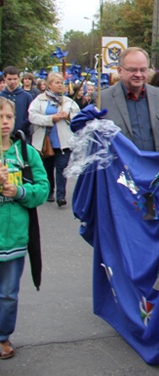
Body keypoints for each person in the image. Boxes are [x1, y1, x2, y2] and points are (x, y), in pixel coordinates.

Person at [0, 97, 49, 360]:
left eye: (8, 117)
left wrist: (18, 190)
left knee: (7, 293)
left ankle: (2, 337)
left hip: (15, 237)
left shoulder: (26, 153)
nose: (4, 123)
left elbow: (42, 189)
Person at [97, 48, 159, 152]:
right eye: (132, 70)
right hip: (120, 167)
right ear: (120, 71)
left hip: (155, 166)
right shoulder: (102, 99)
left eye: (143, 70)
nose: (138, 74)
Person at [28, 72, 80, 207]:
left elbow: (78, 118)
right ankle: (50, 191)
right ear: (49, 85)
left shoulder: (68, 102)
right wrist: (51, 119)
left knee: (62, 167)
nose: (60, 85)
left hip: (63, 141)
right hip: (46, 141)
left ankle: (61, 195)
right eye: (57, 83)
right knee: (48, 167)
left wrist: (67, 116)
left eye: (61, 83)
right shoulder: (39, 100)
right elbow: (32, 117)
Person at [0, 67, 34, 140]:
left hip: (22, 135)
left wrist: (23, 125)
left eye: (15, 79)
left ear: (19, 78)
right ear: (4, 78)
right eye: (9, 79)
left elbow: (31, 115)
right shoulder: (1, 96)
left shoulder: (27, 96)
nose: (12, 82)